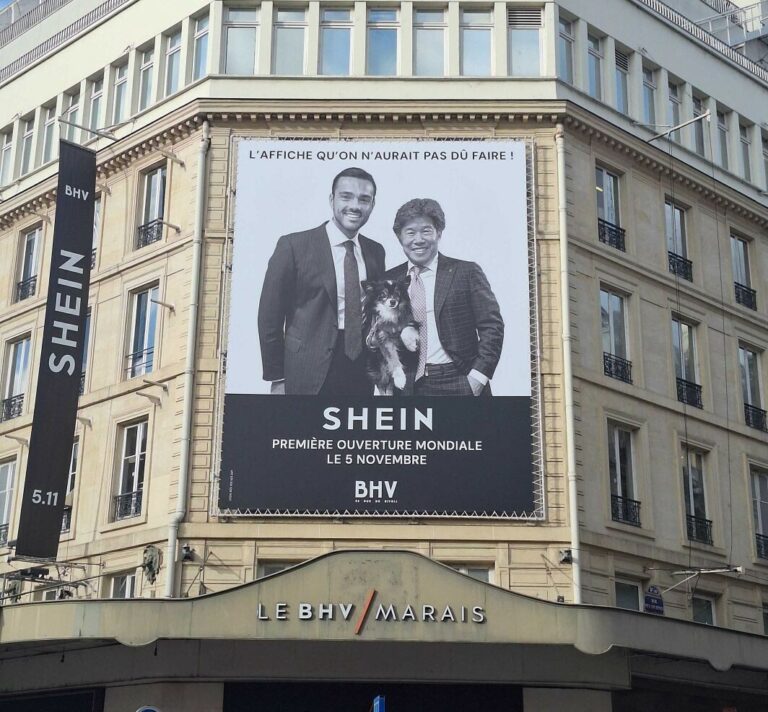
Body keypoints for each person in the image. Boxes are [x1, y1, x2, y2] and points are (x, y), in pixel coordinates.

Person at [258, 167, 386, 395]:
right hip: (305, 368)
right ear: (332, 199)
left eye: (364, 199)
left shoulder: (375, 252)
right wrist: (277, 377)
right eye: (346, 196)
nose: (355, 206)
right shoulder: (293, 246)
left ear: (372, 205)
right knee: (303, 432)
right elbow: (270, 317)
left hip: (361, 368)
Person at [385, 198, 504, 396]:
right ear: (399, 237)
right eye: (410, 232)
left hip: (458, 378)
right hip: (408, 385)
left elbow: (492, 326)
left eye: (426, 231)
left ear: (438, 233)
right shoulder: (389, 279)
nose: (418, 239)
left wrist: (478, 378)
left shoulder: (466, 272)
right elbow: (378, 330)